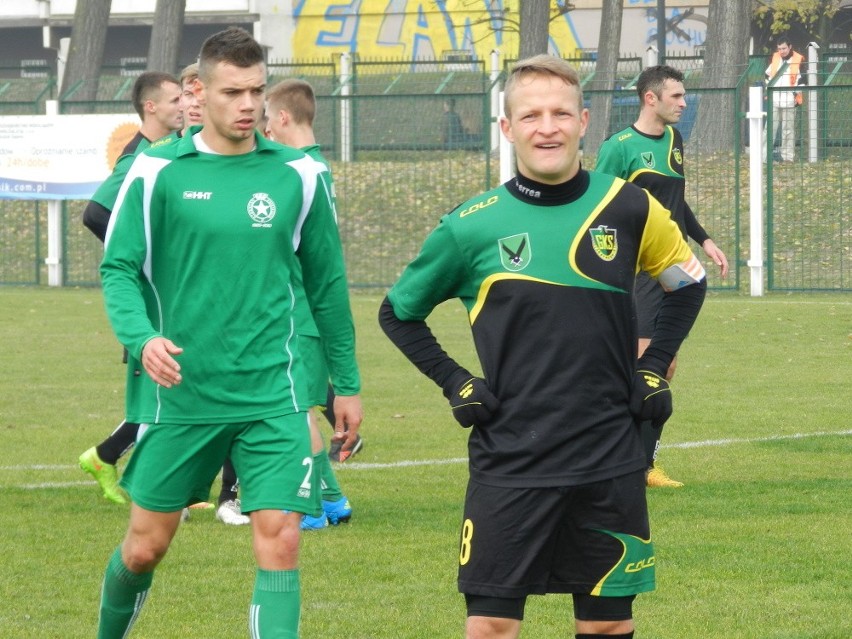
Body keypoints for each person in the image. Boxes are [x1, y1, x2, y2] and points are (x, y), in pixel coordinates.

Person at [379, 54, 706, 639]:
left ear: (584, 121)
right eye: (530, 115)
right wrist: (456, 381)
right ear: (508, 129)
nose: (547, 127)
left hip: (609, 454)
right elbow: (399, 313)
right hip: (511, 459)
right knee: (491, 627)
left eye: (560, 113)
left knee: (606, 627)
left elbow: (689, 283)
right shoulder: (470, 225)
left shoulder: (627, 206)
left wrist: (654, 365)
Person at [96, 26, 362, 638]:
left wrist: (343, 383)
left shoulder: (297, 174)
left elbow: (327, 286)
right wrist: (142, 339)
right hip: (183, 392)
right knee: (144, 548)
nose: (248, 105)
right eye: (234, 91)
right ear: (198, 89)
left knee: (282, 537)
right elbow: (117, 267)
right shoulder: (156, 170)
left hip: (275, 389)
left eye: (257, 91)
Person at [595, 65, 728, 488]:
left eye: (684, 96)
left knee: (663, 365)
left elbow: (677, 200)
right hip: (636, 271)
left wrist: (704, 240)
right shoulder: (618, 148)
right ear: (650, 98)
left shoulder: (674, 139)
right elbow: (596, 210)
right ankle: (619, 462)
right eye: (676, 97)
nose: (684, 103)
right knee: (639, 364)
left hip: (673, 264)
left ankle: (643, 463)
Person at [78, 70, 184, 505]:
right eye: (175, 99)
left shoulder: (166, 151)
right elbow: (95, 214)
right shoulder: (140, 157)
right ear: (151, 107)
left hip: (165, 297)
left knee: (176, 390)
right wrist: (141, 258)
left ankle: (121, 463)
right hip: (150, 301)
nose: (183, 106)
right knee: (171, 392)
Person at [262, 77, 356, 529]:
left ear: (281, 117)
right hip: (304, 312)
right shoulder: (316, 166)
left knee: (295, 414)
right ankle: (333, 499)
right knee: (300, 410)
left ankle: (312, 509)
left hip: (299, 311)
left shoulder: (300, 169)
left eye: (266, 117)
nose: (264, 128)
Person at [763, 35, 806, 162]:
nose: (781, 51)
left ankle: (788, 158)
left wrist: (795, 94)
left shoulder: (799, 60)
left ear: (790, 47)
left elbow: (803, 81)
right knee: (769, 129)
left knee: (788, 131)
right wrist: (768, 89)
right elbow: (767, 76)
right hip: (774, 100)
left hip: (790, 101)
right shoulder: (775, 58)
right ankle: (764, 157)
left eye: (784, 48)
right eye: (779, 49)